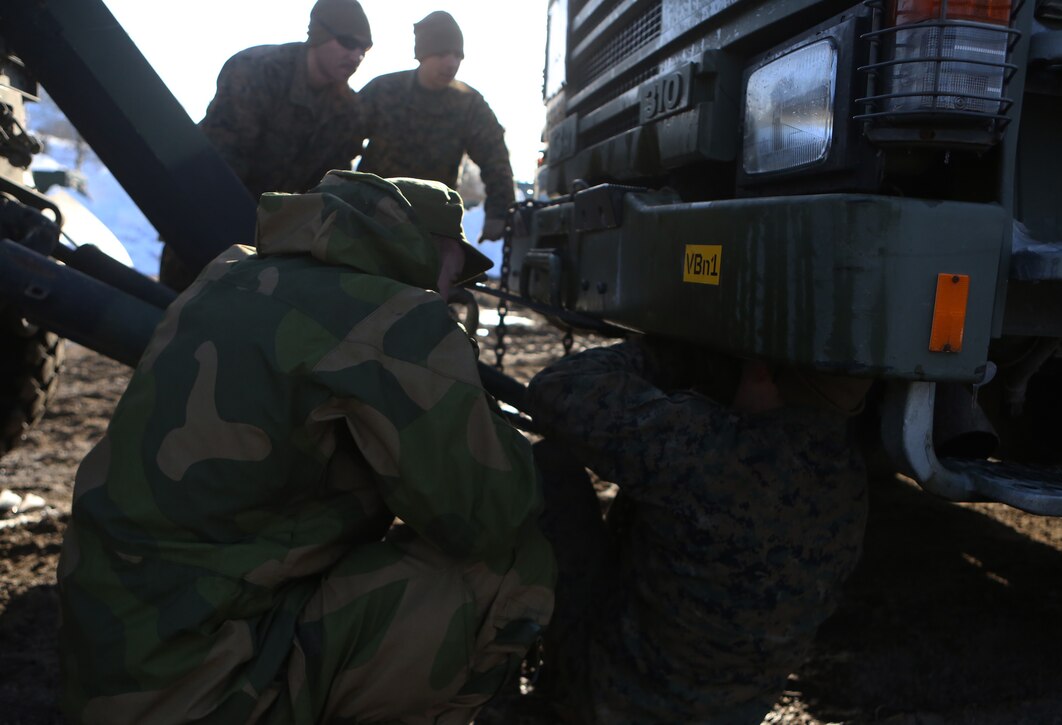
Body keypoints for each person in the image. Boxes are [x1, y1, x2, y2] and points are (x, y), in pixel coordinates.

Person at [58, 171, 556, 724]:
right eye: (455, 274)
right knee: (511, 563)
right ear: (428, 250)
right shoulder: (389, 317)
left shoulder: (231, 273)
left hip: (112, 657)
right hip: (203, 686)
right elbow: (490, 512)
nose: (451, 290)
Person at [494, 339, 871, 723]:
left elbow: (557, 388)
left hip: (606, 702)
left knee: (547, 470)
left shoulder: (713, 449)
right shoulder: (849, 484)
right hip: (728, 715)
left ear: (761, 371)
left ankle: (501, 693)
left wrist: (687, 354)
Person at [160, 0, 372, 291]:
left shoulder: (349, 111)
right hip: (204, 219)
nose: (356, 55)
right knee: (170, 312)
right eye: (348, 43)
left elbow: (328, 191)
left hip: (269, 249)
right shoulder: (257, 70)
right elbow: (219, 166)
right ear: (319, 35)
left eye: (364, 49)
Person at [355, 11, 515, 243]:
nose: (451, 63)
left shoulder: (469, 104)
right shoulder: (385, 90)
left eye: (457, 55)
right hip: (369, 216)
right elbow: (341, 140)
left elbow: (495, 158)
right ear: (422, 54)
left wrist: (499, 214)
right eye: (441, 54)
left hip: (432, 225)